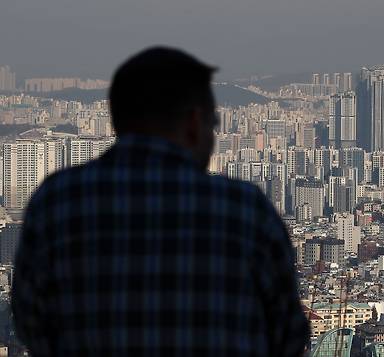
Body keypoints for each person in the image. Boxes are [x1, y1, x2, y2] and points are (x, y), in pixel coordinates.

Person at [12, 47, 309, 356]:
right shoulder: (245, 210)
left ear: (116, 120)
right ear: (195, 122)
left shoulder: (57, 203)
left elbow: (30, 322)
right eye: (213, 123)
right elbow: (287, 335)